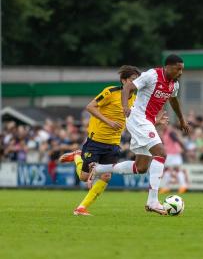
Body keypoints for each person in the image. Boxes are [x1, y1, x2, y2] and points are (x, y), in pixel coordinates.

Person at [88, 54, 190, 215]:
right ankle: (153, 201)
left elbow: (173, 100)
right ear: (168, 67)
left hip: (146, 122)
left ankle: (99, 169)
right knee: (161, 153)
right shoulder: (152, 75)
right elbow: (128, 87)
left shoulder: (174, 84)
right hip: (138, 118)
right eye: (178, 69)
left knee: (141, 167)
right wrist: (125, 107)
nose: (180, 72)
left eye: (182, 70)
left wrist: (182, 120)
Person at [58, 65, 141, 216]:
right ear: (123, 81)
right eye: (133, 79)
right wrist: (108, 121)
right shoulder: (110, 92)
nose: (136, 82)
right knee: (84, 177)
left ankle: (81, 208)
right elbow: (90, 107)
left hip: (114, 143)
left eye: (138, 80)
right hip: (96, 141)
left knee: (106, 175)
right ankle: (77, 156)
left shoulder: (135, 98)